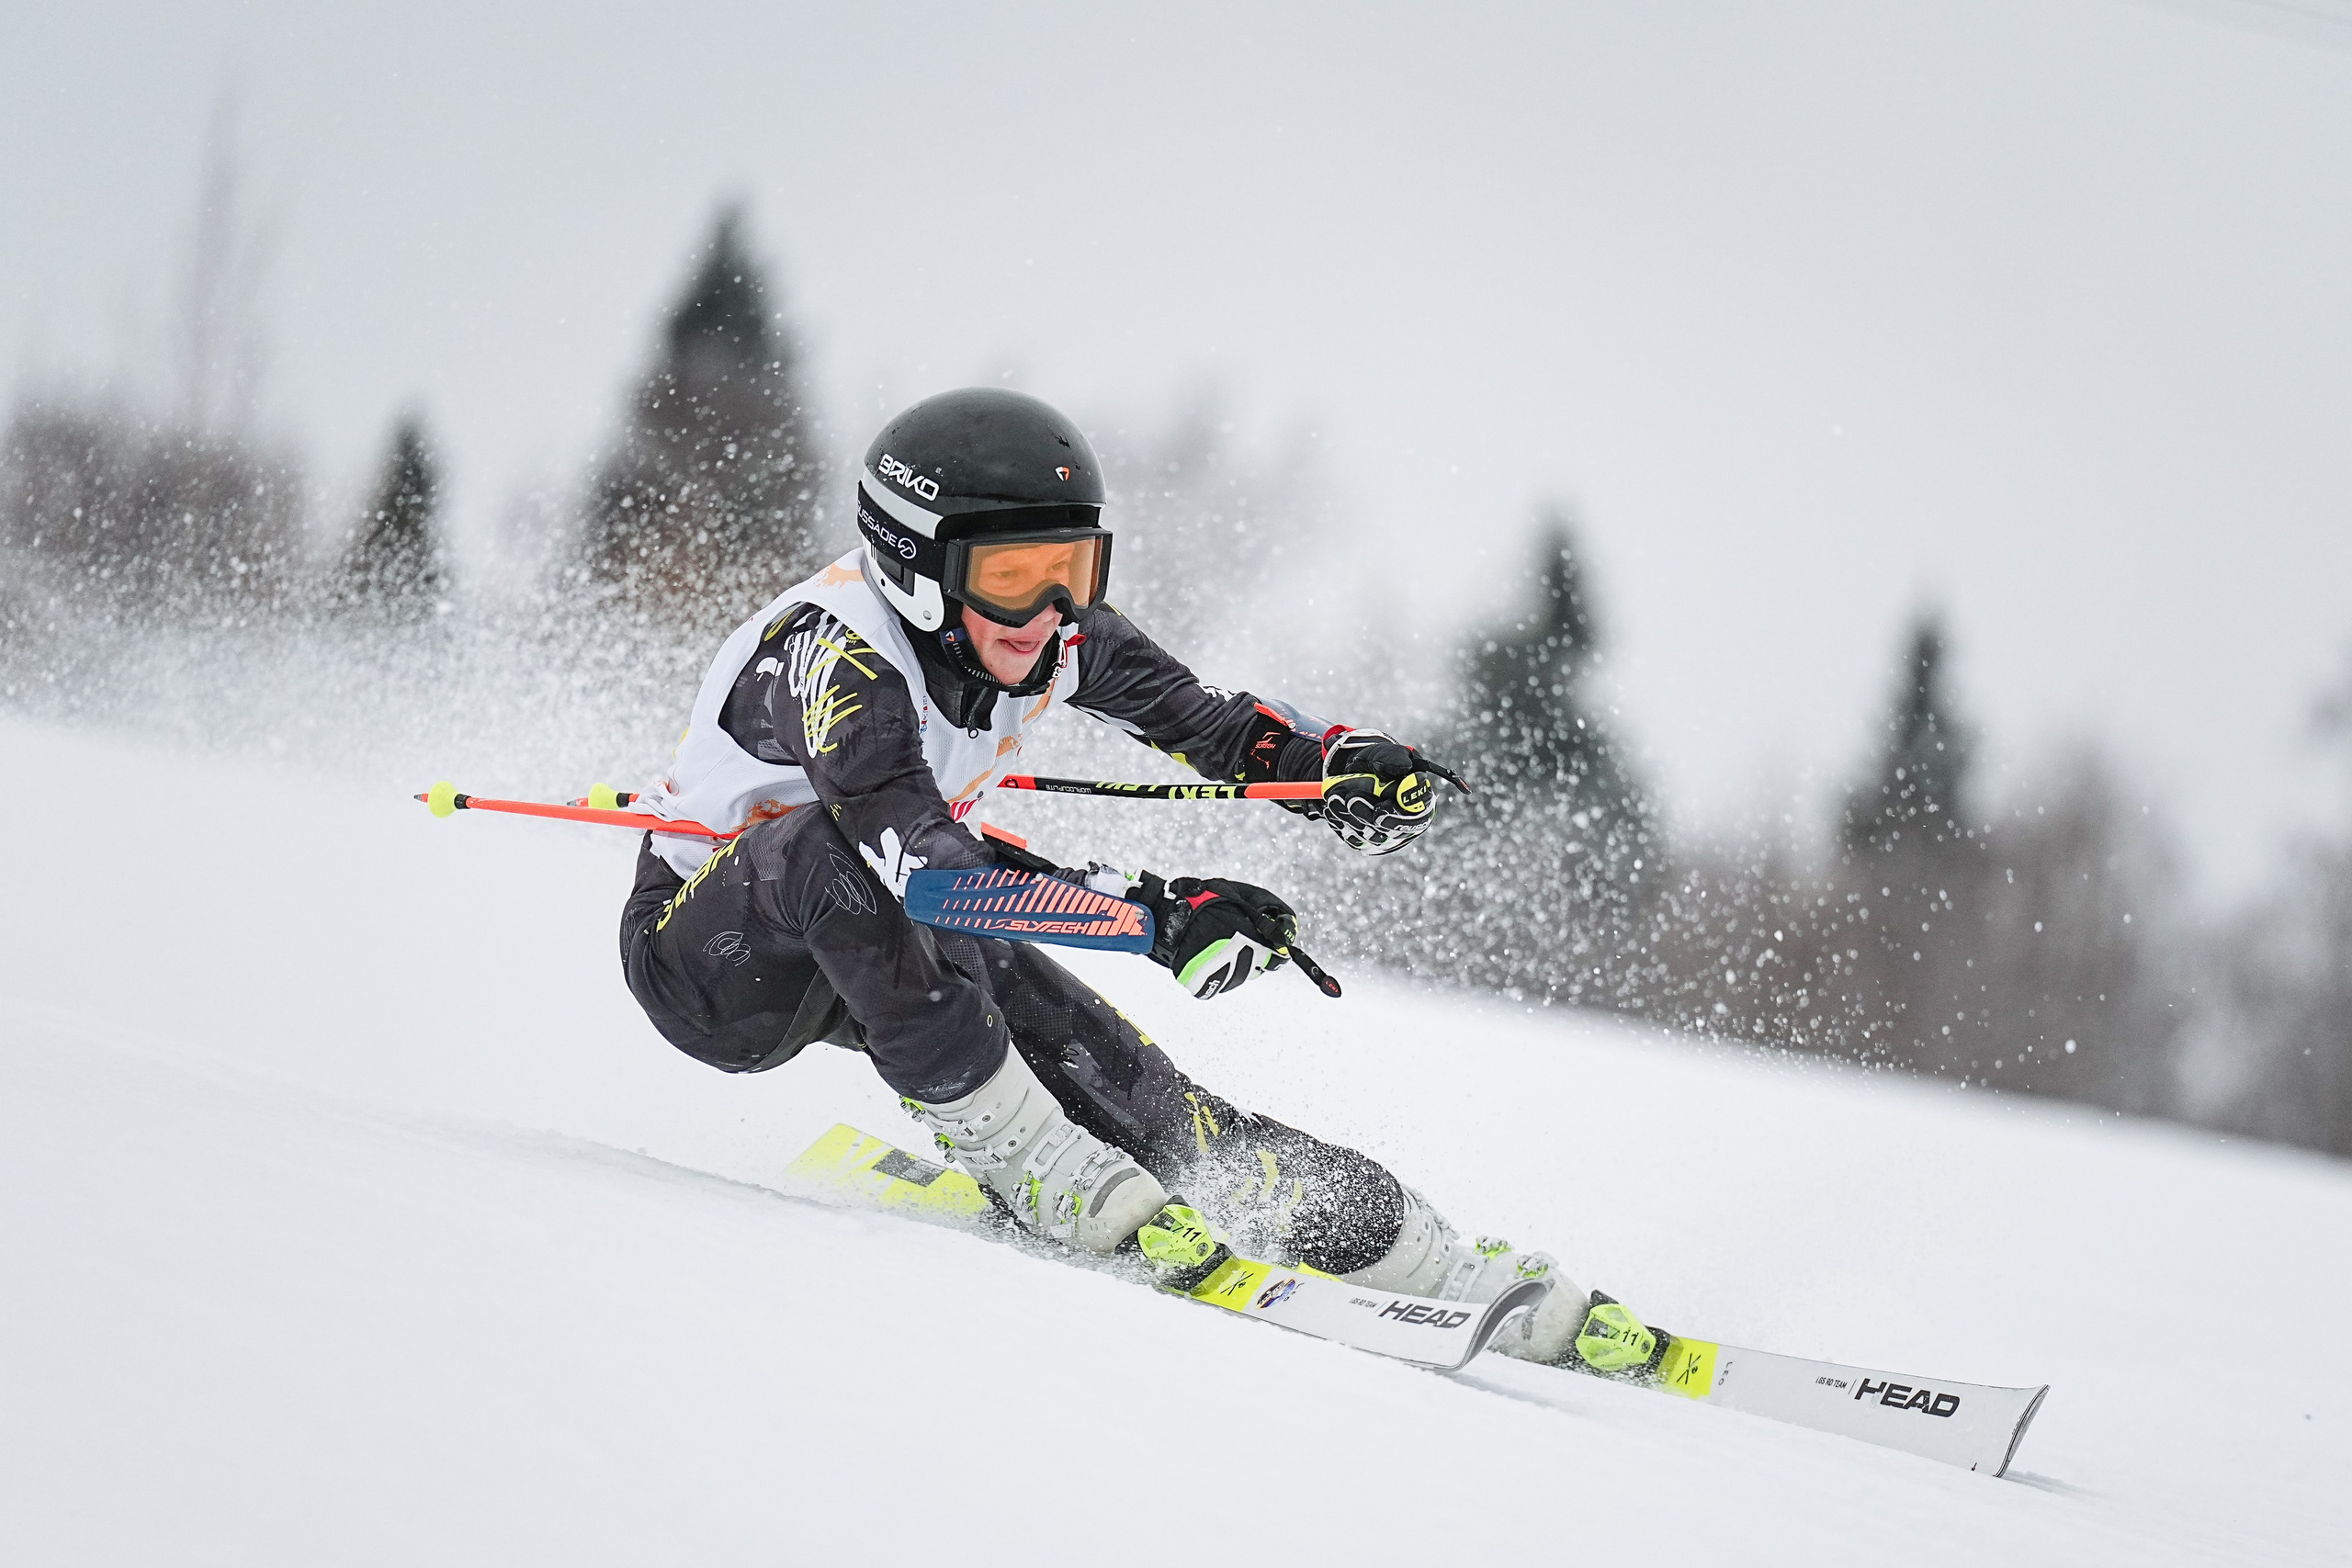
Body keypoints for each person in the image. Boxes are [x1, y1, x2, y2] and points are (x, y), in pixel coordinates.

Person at [616, 387, 1665, 1375]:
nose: (1048, 612)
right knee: (825, 853)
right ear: (915, 567)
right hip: (714, 966)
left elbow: (1205, 723)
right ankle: (1014, 1145)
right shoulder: (844, 663)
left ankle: (1427, 1261)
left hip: (897, 939)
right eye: (1011, 575)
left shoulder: (1050, 634)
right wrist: (1153, 915)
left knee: (1163, 1116)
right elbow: (927, 879)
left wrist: (1337, 768)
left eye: (1072, 567)